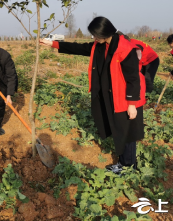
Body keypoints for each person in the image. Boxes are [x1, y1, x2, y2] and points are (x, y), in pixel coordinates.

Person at [40, 17, 146, 175]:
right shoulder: (100, 45)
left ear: (105, 33)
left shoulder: (125, 48)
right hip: (111, 95)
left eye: (95, 35)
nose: (93, 38)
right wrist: (53, 44)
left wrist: (132, 104)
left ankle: (128, 165)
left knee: (127, 132)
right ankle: (124, 162)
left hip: (125, 98)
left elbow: (133, 78)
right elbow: (80, 49)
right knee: (119, 129)